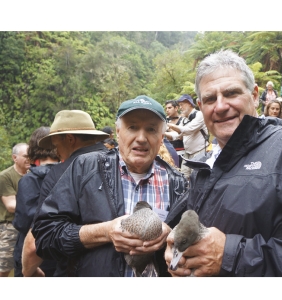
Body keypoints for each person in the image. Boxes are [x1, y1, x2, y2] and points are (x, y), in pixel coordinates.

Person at [165, 49, 282, 277]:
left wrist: (230, 255)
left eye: (231, 93)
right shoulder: (203, 165)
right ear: (200, 106)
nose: (220, 106)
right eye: (210, 99)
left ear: (255, 95)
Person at [32, 95, 188, 277]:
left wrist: (170, 236)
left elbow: (190, 246)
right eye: (133, 127)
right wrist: (105, 232)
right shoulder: (85, 168)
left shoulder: (178, 183)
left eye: (151, 129)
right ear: (118, 131)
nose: (141, 138)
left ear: (161, 137)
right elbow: (45, 236)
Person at [21, 110, 109, 277]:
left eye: (56, 145)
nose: (56, 152)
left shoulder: (60, 174)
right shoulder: (123, 165)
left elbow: (34, 243)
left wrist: (28, 271)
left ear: (70, 139)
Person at [12, 127, 60, 277]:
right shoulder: (70, 175)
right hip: (60, 252)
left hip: (31, 254)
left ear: (33, 148)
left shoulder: (29, 180)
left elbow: (23, 221)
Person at [0, 143, 30, 277]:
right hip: (10, 227)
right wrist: (35, 206)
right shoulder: (5, 176)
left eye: (30, 156)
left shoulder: (33, 174)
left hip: (29, 224)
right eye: (25, 156)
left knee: (29, 265)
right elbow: (11, 206)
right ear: (14, 158)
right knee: (4, 267)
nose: (28, 159)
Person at [167, 94, 209, 180]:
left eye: (182, 105)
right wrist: (162, 133)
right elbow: (177, 135)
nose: (180, 107)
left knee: (197, 178)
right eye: (179, 105)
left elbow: (187, 130)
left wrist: (168, 125)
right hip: (187, 153)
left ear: (189, 103)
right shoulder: (185, 119)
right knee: (183, 178)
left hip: (199, 152)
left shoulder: (200, 115)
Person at [164, 100, 185, 166]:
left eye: (169, 108)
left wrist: (170, 129)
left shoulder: (183, 120)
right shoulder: (165, 120)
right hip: (167, 153)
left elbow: (183, 135)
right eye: (166, 108)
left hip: (182, 152)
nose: (167, 110)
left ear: (176, 108)